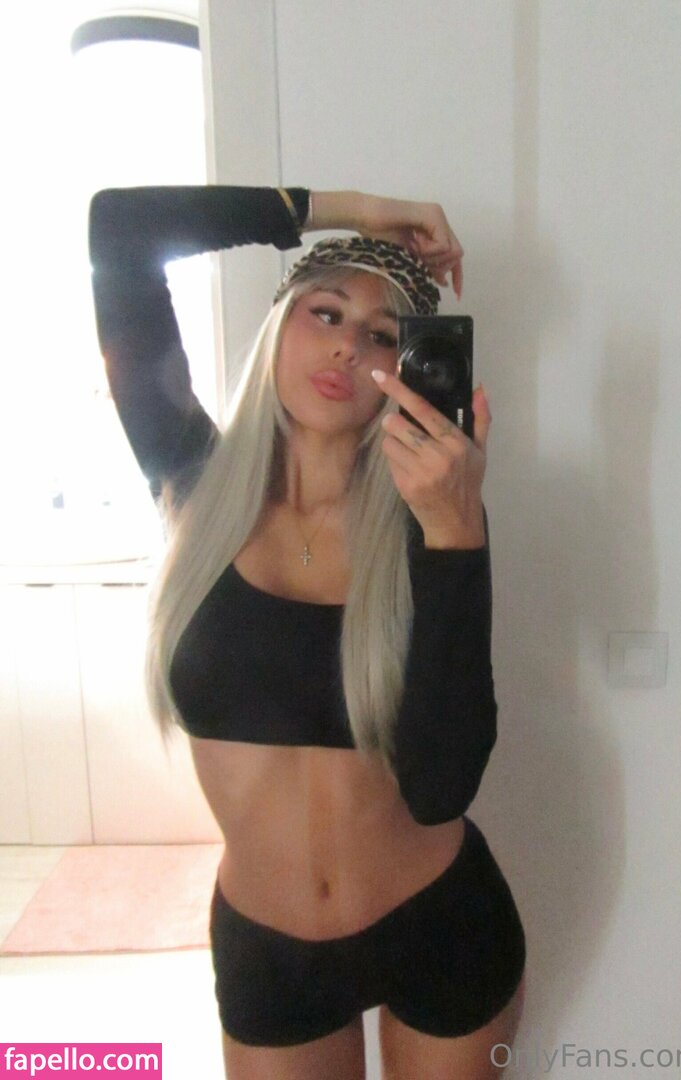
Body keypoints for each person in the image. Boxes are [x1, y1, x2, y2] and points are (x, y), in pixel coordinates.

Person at [88, 185, 526, 1080]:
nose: (346, 346)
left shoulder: (428, 514)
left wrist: (455, 533)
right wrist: (350, 209)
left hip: (440, 925)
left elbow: (443, 786)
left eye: (382, 336)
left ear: (410, 368)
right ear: (280, 324)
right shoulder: (192, 478)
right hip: (269, 951)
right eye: (326, 313)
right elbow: (121, 231)